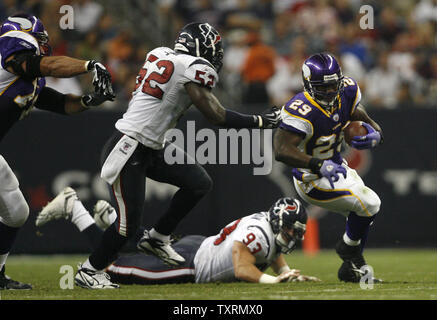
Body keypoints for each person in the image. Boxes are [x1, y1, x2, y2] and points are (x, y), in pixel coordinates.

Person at [37, 22, 281, 289]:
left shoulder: (160, 54)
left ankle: (157, 237)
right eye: (213, 48)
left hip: (151, 145)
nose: (216, 55)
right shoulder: (193, 67)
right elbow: (217, 116)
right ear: (199, 46)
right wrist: (260, 121)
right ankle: (89, 270)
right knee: (126, 229)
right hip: (129, 147)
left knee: (199, 183)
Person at [0, 13, 114, 290]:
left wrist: (89, 99)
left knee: (15, 211)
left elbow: (62, 104)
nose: (42, 43)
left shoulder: (29, 79)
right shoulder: (12, 45)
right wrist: (88, 64)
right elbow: (47, 64)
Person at [36, 191, 319, 287]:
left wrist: (285, 272)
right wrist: (273, 280)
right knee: (110, 268)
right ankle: (75, 210)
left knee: (145, 247)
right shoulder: (258, 233)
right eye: (291, 230)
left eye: (296, 232)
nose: (293, 236)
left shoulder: (267, 227)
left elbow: (270, 252)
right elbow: (242, 267)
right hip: (189, 264)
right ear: (279, 222)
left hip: (198, 245)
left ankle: (111, 220)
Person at [273, 53, 383, 283]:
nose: (332, 91)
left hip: (337, 167)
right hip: (311, 178)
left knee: (364, 215)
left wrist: (375, 130)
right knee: (370, 203)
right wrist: (318, 164)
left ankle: (350, 269)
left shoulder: (347, 90)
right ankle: (348, 251)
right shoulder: (300, 109)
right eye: (325, 87)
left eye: (335, 85)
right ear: (308, 85)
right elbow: (282, 150)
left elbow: (355, 112)